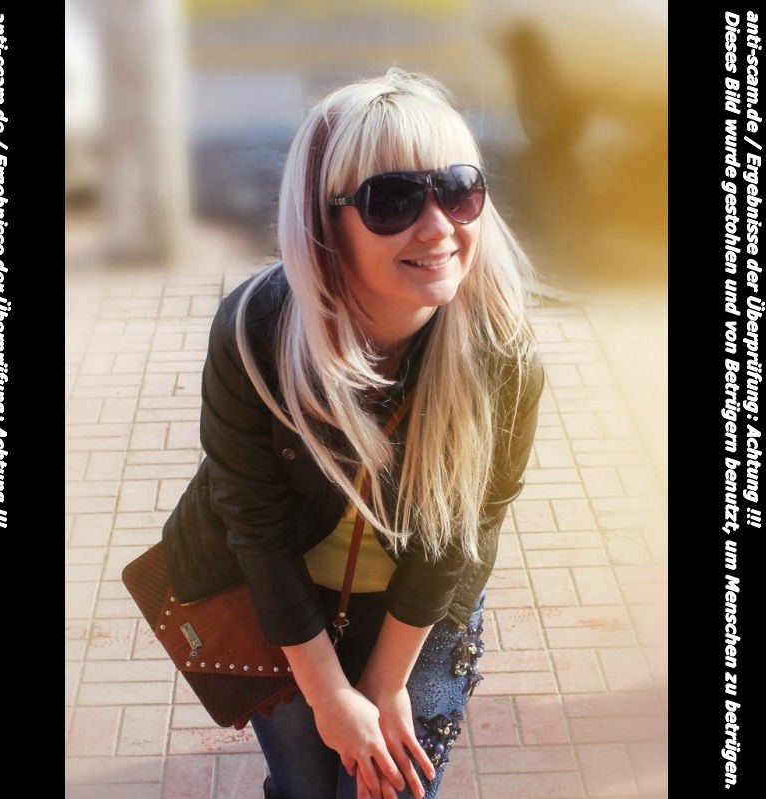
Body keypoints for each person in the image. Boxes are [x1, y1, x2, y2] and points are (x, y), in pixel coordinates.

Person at [198, 69, 543, 799]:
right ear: (323, 223)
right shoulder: (255, 332)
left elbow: (464, 531)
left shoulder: (501, 353)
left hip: (419, 607)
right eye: (393, 199)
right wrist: (329, 695)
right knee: (306, 785)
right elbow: (254, 525)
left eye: (458, 189)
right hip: (284, 593)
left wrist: (383, 685)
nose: (438, 227)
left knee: (390, 790)